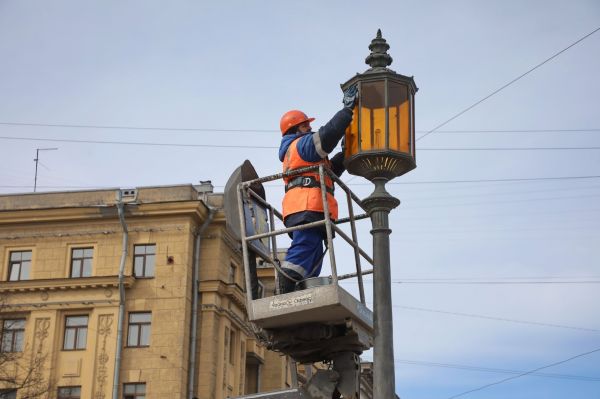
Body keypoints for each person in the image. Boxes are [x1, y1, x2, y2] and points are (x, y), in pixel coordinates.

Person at [277, 85, 358, 294]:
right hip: (306, 206)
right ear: (295, 129)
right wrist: (347, 111)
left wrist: (345, 153)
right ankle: (285, 288)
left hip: (308, 207)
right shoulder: (299, 145)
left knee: (312, 255)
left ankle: (299, 290)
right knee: (304, 248)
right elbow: (326, 136)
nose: (309, 129)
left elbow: (330, 172)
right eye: (305, 126)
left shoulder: (301, 152)